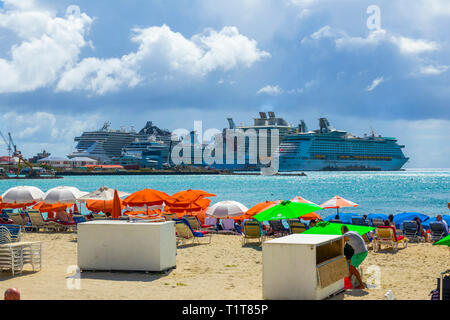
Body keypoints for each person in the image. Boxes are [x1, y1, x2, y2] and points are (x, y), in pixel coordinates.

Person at [341, 225, 368, 289]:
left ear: (342, 231)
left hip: (360, 252)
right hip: (365, 250)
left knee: (352, 268)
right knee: (351, 267)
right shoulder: (354, 232)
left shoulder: (345, 236)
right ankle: (347, 283)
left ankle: (361, 285)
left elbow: (341, 247)